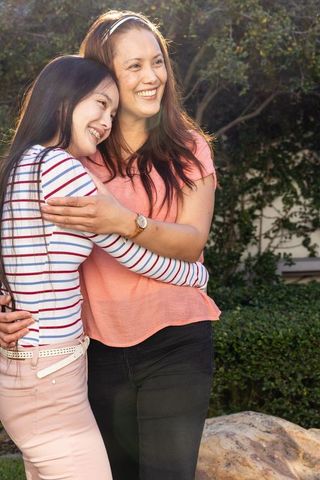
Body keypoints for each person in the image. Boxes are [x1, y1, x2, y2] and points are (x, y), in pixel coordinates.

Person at [0, 10, 221, 480]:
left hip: (174, 340)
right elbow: (16, 236)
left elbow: (192, 241)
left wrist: (124, 220)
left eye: (157, 62)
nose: (152, 76)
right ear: (103, 80)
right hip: (91, 349)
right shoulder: (75, 157)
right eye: (133, 66)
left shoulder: (188, 148)